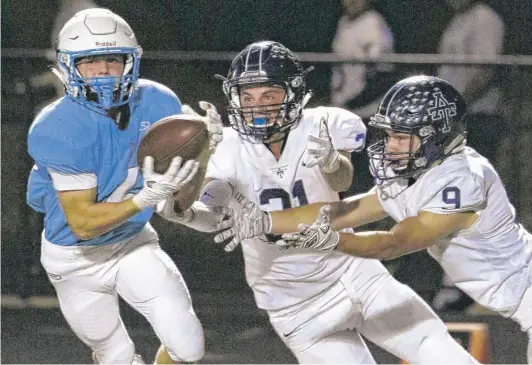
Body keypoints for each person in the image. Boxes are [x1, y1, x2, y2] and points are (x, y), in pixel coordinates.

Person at [165, 40, 477, 364]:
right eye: (248, 97)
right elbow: (213, 208)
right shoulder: (226, 147)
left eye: (269, 95)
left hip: (352, 271)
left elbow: (341, 181)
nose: (258, 106)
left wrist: (330, 161)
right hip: (295, 304)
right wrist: (189, 193)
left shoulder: (323, 123)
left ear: (293, 93)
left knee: (440, 351)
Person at [221, 75, 532, 364]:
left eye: (403, 137)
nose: (391, 147)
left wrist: (336, 241)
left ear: (437, 136)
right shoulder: (420, 169)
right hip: (531, 307)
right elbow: (349, 210)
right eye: (390, 135)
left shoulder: (462, 178)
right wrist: (267, 221)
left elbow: (396, 242)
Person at [26, 8, 224, 364]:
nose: (102, 72)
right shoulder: (56, 126)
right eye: (90, 62)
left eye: (111, 60)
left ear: (130, 62)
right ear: (69, 67)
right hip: (75, 259)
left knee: (188, 346)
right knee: (115, 354)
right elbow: (83, 224)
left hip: (132, 241)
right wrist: (143, 199)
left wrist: (202, 153)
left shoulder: (158, 101)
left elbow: (183, 203)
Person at [435, 0, 506, 311]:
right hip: (453, 121)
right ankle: (457, 282)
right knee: (450, 201)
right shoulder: (456, 22)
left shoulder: (485, 19)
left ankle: (476, 287)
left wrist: (456, 107)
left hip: (477, 120)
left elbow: (485, 70)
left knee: (472, 203)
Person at [331, 0, 396, 120]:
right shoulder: (343, 22)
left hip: (366, 109)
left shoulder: (373, 22)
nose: (352, 2)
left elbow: (380, 72)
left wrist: (351, 103)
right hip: (343, 102)